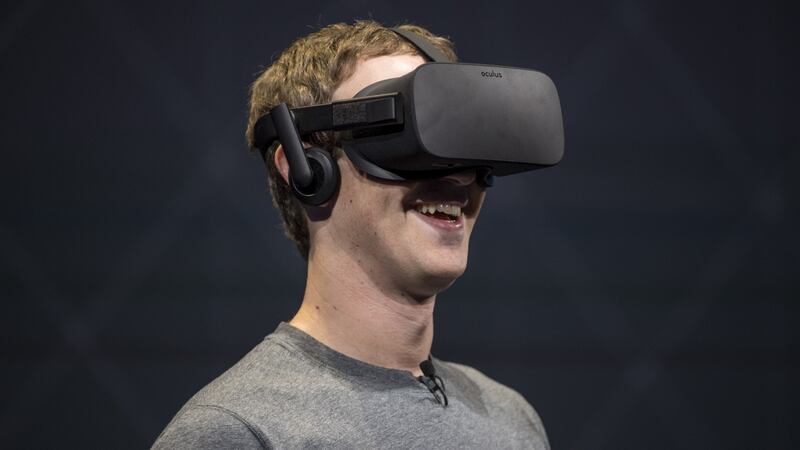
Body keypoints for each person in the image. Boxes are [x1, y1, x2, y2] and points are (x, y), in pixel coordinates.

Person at [152, 20, 549, 449]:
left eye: (458, 142)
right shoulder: (237, 432)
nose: (459, 177)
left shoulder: (510, 420)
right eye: (403, 140)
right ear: (305, 170)